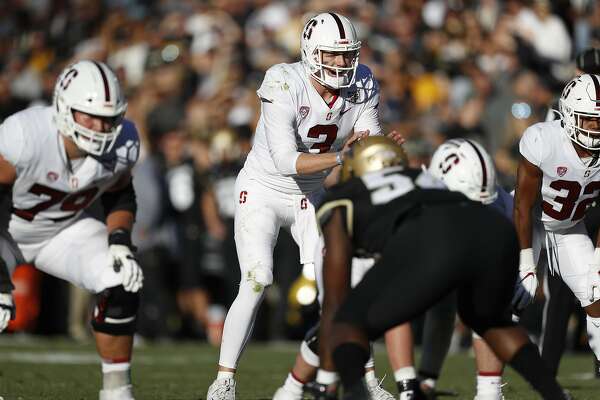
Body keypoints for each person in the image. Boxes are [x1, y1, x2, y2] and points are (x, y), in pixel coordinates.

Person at [206, 11, 402, 400]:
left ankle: (365, 378)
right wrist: (341, 159)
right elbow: (285, 160)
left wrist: (384, 154)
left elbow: (365, 150)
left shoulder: (362, 83)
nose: (343, 64)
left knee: (338, 284)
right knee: (257, 277)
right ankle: (224, 380)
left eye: (348, 55)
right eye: (333, 55)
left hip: (309, 194)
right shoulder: (282, 81)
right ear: (312, 53)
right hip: (263, 187)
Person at [319, 136, 568, 400]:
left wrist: (326, 380)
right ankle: (556, 395)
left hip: (438, 232)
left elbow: (335, 301)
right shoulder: (419, 176)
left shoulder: (341, 199)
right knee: (492, 321)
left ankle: (347, 391)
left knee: (348, 319)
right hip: (494, 227)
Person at [0, 60, 143, 400]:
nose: (100, 126)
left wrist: (120, 241)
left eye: (109, 118)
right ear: (63, 108)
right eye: (89, 115)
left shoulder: (124, 142)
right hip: (5, 232)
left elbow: (120, 192)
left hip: (61, 232)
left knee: (121, 277)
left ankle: (117, 390)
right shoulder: (22, 135)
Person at [511, 73, 600, 376]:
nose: (596, 127)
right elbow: (522, 206)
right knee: (510, 305)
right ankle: (488, 391)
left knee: (597, 295)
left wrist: (599, 261)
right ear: (571, 115)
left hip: (568, 228)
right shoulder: (544, 140)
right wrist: (526, 262)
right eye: (589, 120)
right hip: (531, 223)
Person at [427, 138, 513, 400]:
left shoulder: (500, 207)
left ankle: (489, 392)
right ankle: (410, 384)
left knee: (486, 304)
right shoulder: (421, 205)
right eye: (469, 202)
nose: (476, 211)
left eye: (481, 203)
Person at [539, 47, 600, 377]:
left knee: (575, 291)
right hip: (574, 203)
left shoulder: (569, 106)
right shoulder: (564, 108)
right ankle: (547, 369)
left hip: (583, 202)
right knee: (562, 294)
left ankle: (553, 368)